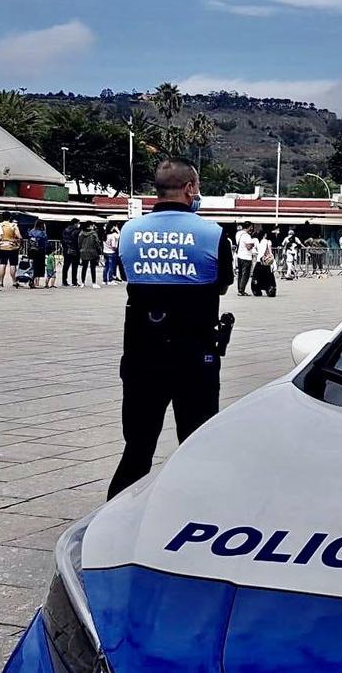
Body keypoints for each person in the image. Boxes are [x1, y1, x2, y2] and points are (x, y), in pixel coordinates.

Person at [107, 157, 233, 500]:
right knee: (196, 443)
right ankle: (194, 509)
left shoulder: (129, 231)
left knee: (138, 446)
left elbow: (129, 274)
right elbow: (222, 284)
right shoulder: (213, 233)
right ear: (190, 188)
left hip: (141, 354)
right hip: (194, 354)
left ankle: (115, 512)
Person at [0, 212, 22, 288]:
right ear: (10, 217)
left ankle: (0, 281)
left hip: (2, 246)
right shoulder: (13, 225)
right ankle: (14, 281)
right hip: (12, 247)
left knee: (2, 264)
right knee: (12, 265)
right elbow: (19, 236)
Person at [77, 223, 102, 288]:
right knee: (93, 268)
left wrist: (81, 249)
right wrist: (99, 251)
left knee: (84, 267)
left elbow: (79, 243)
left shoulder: (81, 233)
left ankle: (83, 283)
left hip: (83, 252)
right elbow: (97, 243)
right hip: (92, 252)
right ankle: (94, 283)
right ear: (89, 226)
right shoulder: (94, 234)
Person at [234, 223, 257, 296]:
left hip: (239, 256)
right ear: (249, 227)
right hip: (246, 257)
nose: (251, 229)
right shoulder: (247, 236)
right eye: (251, 227)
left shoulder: (238, 233)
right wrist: (253, 244)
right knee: (245, 275)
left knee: (240, 274)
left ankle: (239, 289)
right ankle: (241, 290)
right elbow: (248, 247)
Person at [27, 221, 49, 289]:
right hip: (39, 252)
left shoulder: (31, 232)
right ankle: (34, 281)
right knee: (37, 267)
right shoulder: (42, 233)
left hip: (31, 251)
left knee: (32, 266)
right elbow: (45, 242)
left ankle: (31, 280)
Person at [61, 219, 81, 287]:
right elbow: (77, 241)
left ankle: (64, 281)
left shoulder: (65, 230)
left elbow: (63, 240)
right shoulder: (77, 231)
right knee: (74, 266)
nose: (78, 224)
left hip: (66, 250)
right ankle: (74, 281)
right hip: (75, 250)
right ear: (75, 223)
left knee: (66, 266)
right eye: (78, 223)